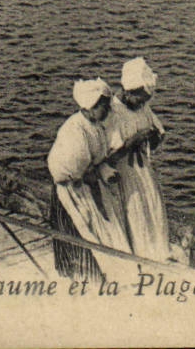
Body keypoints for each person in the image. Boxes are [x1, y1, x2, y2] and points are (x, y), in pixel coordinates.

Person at [47, 77, 131, 280]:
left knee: (103, 230)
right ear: (91, 106)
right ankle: (83, 276)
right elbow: (69, 167)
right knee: (82, 231)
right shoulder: (75, 130)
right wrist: (92, 174)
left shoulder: (95, 126)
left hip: (89, 185)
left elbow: (98, 158)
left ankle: (109, 272)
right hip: (73, 191)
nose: (109, 110)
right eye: (104, 106)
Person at [103, 57, 171, 261]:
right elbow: (107, 156)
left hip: (143, 172)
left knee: (153, 209)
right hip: (124, 174)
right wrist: (132, 141)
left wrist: (154, 137)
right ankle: (138, 256)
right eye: (140, 98)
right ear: (127, 91)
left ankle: (158, 255)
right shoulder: (113, 113)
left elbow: (157, 134)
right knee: (135, 214)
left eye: (145, 99)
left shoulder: (141, 108)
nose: (143, 103)